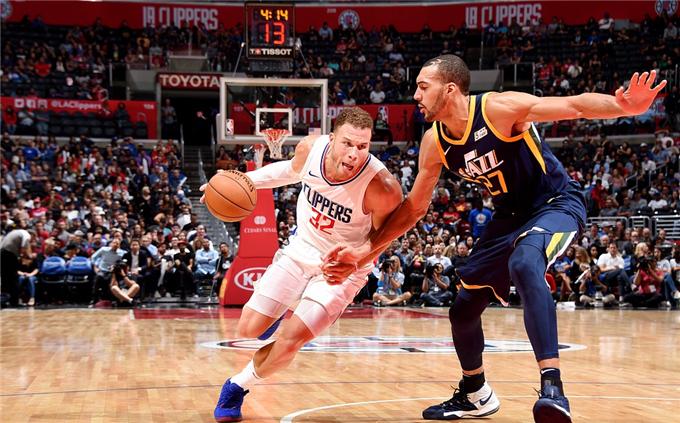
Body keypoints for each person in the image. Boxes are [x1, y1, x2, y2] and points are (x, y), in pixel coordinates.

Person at [323, 55, 666, 423]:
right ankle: (475, 393)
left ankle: (553, 388)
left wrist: (623, 106)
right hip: (507, 219)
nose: (416, 95)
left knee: (525, 262)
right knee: (462, 310)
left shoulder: (498, 109)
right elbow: (414, 209)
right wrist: (364, 252)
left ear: (449, 89)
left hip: (554, 203)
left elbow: (574, 105)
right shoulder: (434, 142)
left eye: (423, 86)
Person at [200, 107, 403, 422]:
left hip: (342, 269)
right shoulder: (310, 148)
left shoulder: (382, 187)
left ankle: (237, 385)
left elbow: (381, 238)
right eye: (348, 143)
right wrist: (236, 182)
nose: (354, 154)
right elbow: (289, 171)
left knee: (290, 341)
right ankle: (278, 313)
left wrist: (355, 260)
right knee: (248, 329)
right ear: (331, 138)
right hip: (301, 248)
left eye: (363, 146)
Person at [1, 229, 33, 307]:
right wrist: (29, 257)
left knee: (5, 279)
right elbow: (23, 248)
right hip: (10, 255)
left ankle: (4, 301)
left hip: (2, 253)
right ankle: (14, 302)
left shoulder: (16, 232)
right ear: (32, 235)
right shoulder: (26, 235)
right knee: (14, 278)